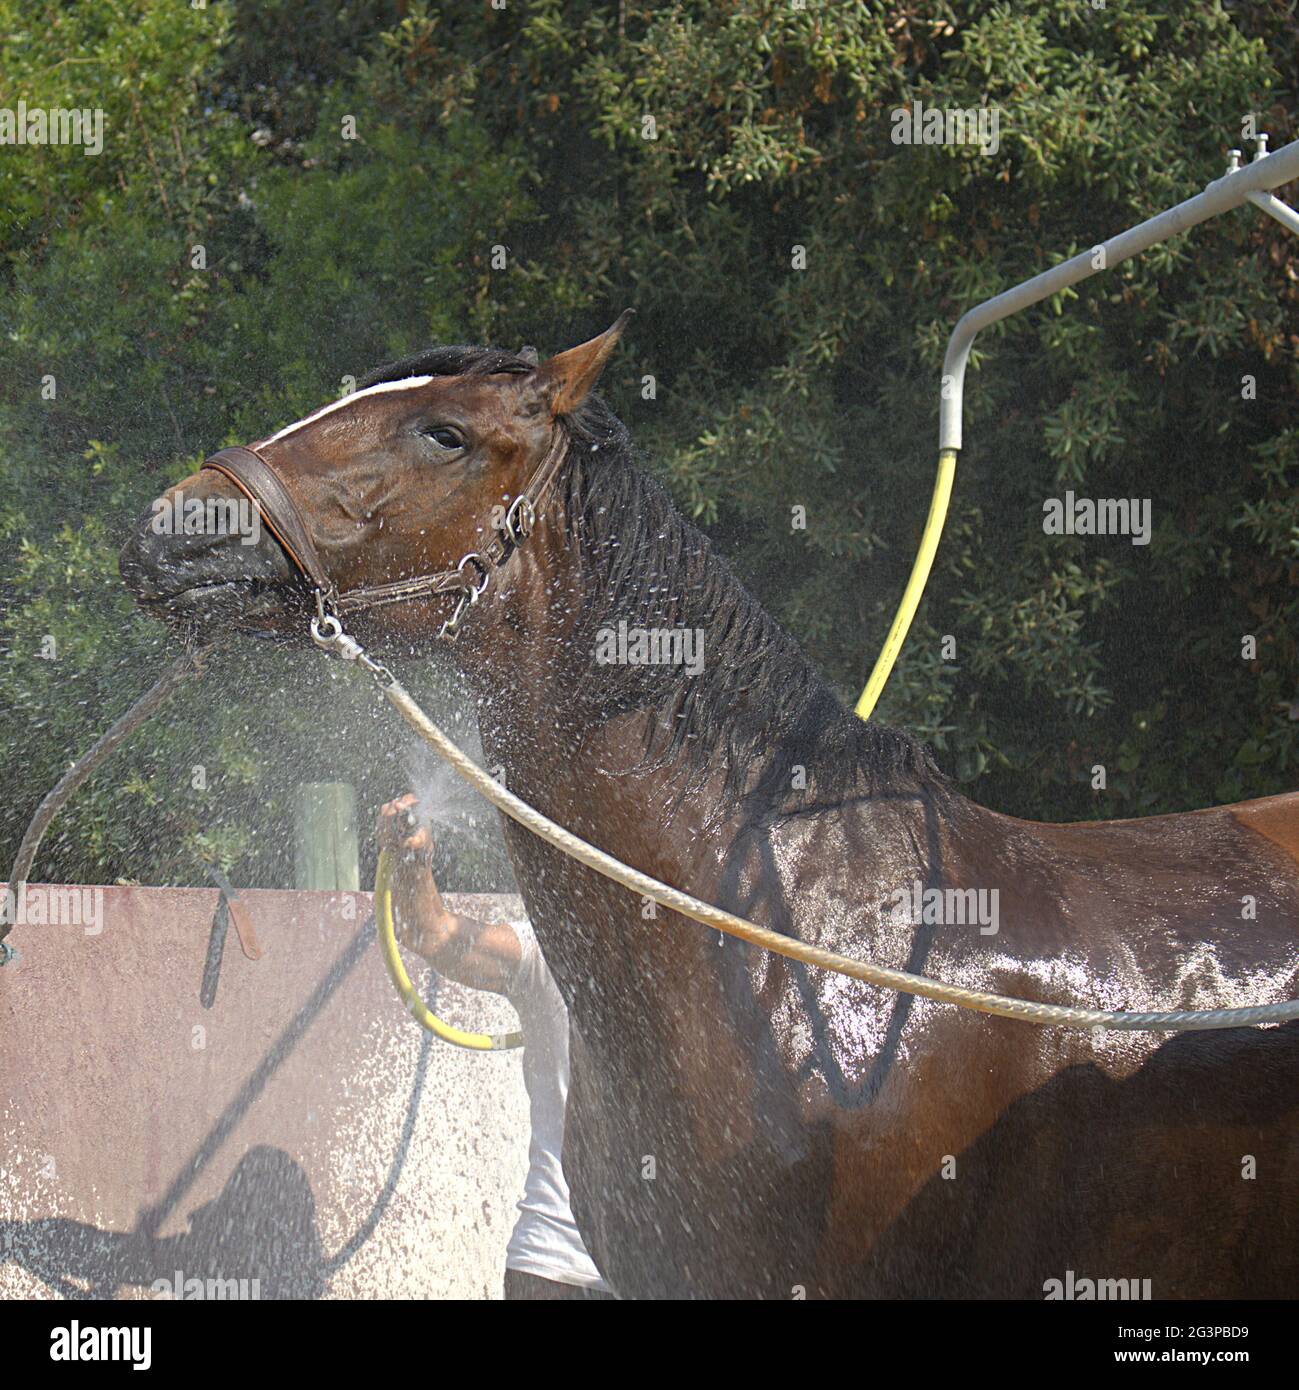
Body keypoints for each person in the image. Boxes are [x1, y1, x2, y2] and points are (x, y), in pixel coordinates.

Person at [377, 794, 615, 1301]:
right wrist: (412, 860)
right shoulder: (551, 951)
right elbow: (432, 933)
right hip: (555, 1268)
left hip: (668, 1270)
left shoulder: (710, 971)